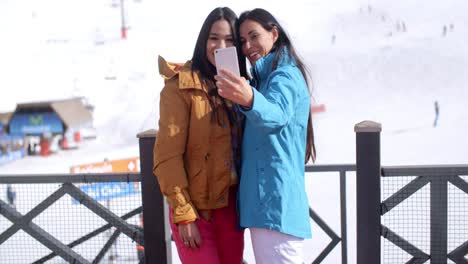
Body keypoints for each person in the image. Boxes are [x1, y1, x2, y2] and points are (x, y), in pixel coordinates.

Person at [215, 8, 316, 263]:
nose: (248, 46)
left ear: (274, 33)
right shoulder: (265, 78)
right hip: (267, 205)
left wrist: (248, 99)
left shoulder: (284, 75)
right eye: (242, 41)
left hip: (275, 206)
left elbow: (276, 115)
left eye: (254, 36)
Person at [153, 7, 248, 264]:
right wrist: (184, 214)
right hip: (195, 210)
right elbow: (167, 157)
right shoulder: (180, 87)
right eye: (214, 38)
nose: (220, 46)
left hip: (230, 209)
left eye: (230, 41)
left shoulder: (240, 86)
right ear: (203, 39)